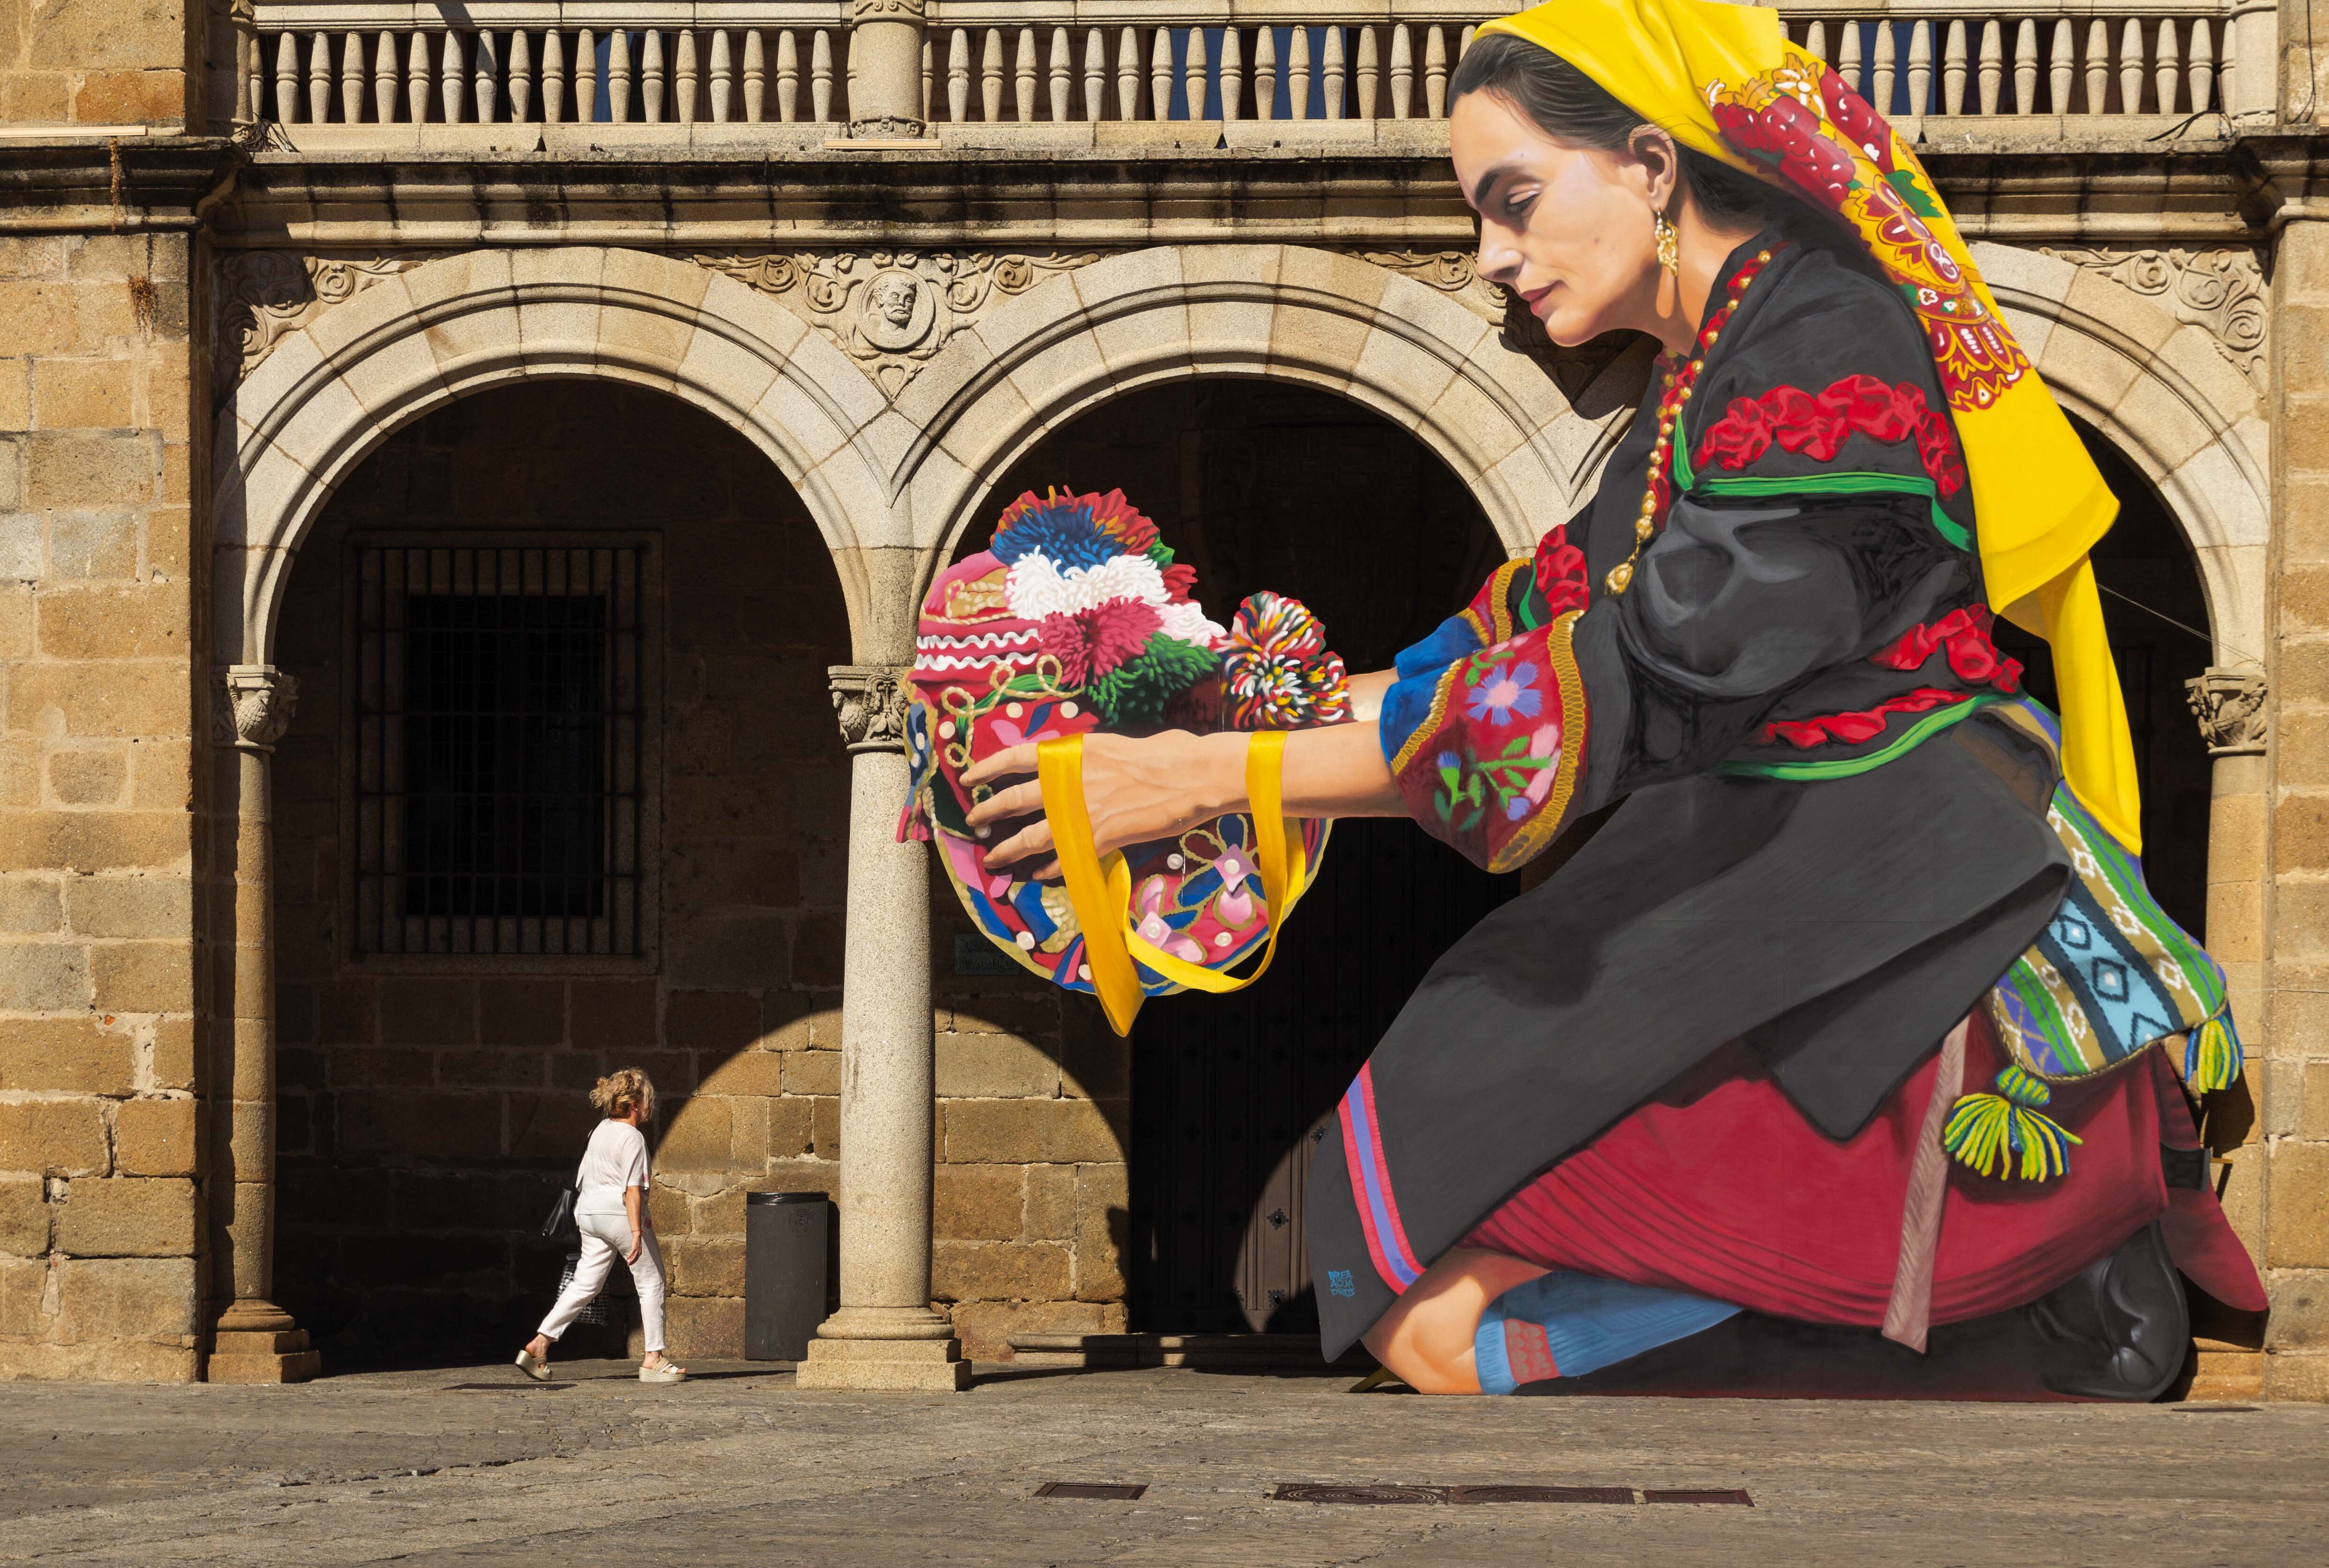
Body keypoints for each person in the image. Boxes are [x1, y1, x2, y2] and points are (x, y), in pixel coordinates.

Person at [961, 0, 2263, 1400]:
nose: (1490, 256)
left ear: (1649, 166)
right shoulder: (1698, 382)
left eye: (1512, 202)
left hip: (1902, 916)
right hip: (1769, 886)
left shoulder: (1828, 352)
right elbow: (1533, 616)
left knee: (1438, 1331)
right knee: (1419, 1307)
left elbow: (1637, 679)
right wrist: (1229, 714)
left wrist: (1217, 782)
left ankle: (2041, 1311)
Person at [518, 1068, 685, 1384]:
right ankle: (654, 1358)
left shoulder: (600, 1129)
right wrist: (637, 1232)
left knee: (585, 1284)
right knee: (651, 1282)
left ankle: (540, 1343)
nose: (650, 1105)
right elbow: (632, 1188)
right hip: (619, 1214)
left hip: (589, 1213)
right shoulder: (632, 1137)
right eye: (648, 1099)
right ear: (636, 1102)